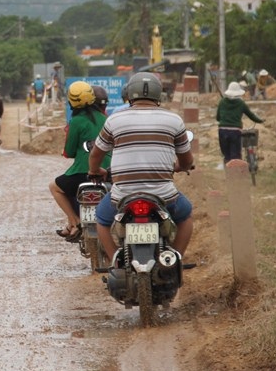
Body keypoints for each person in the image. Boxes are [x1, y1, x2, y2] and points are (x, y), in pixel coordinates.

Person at [88, 72, 195, 261]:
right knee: (185, 216)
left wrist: (95, 171)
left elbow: (96, 154)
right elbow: (187, 160)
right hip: (164, 195)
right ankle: (174, 258)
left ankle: (115, 260)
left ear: (129, 94)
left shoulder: (114, 120)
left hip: (122, 195)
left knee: (102, 220)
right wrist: (180, 167)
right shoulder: (174, 120)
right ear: (158, 94)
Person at [50, 81, 111, 241]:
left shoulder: (76, 121)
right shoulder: (106, 119)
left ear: (71, 101)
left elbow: (69, 152)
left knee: (55, 187)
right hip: (108, 172)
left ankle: (74, 221)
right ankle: (72, 224)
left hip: (83, 174)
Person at [216, 81, 264, 163]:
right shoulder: (241, 103)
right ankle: (237, 174)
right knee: (236, 156)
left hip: (222, 131)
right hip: (235, 131)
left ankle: (228, 173)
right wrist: (260, 120)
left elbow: (218, 118)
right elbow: (251, 115)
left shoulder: (222, 102)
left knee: (227, 156)